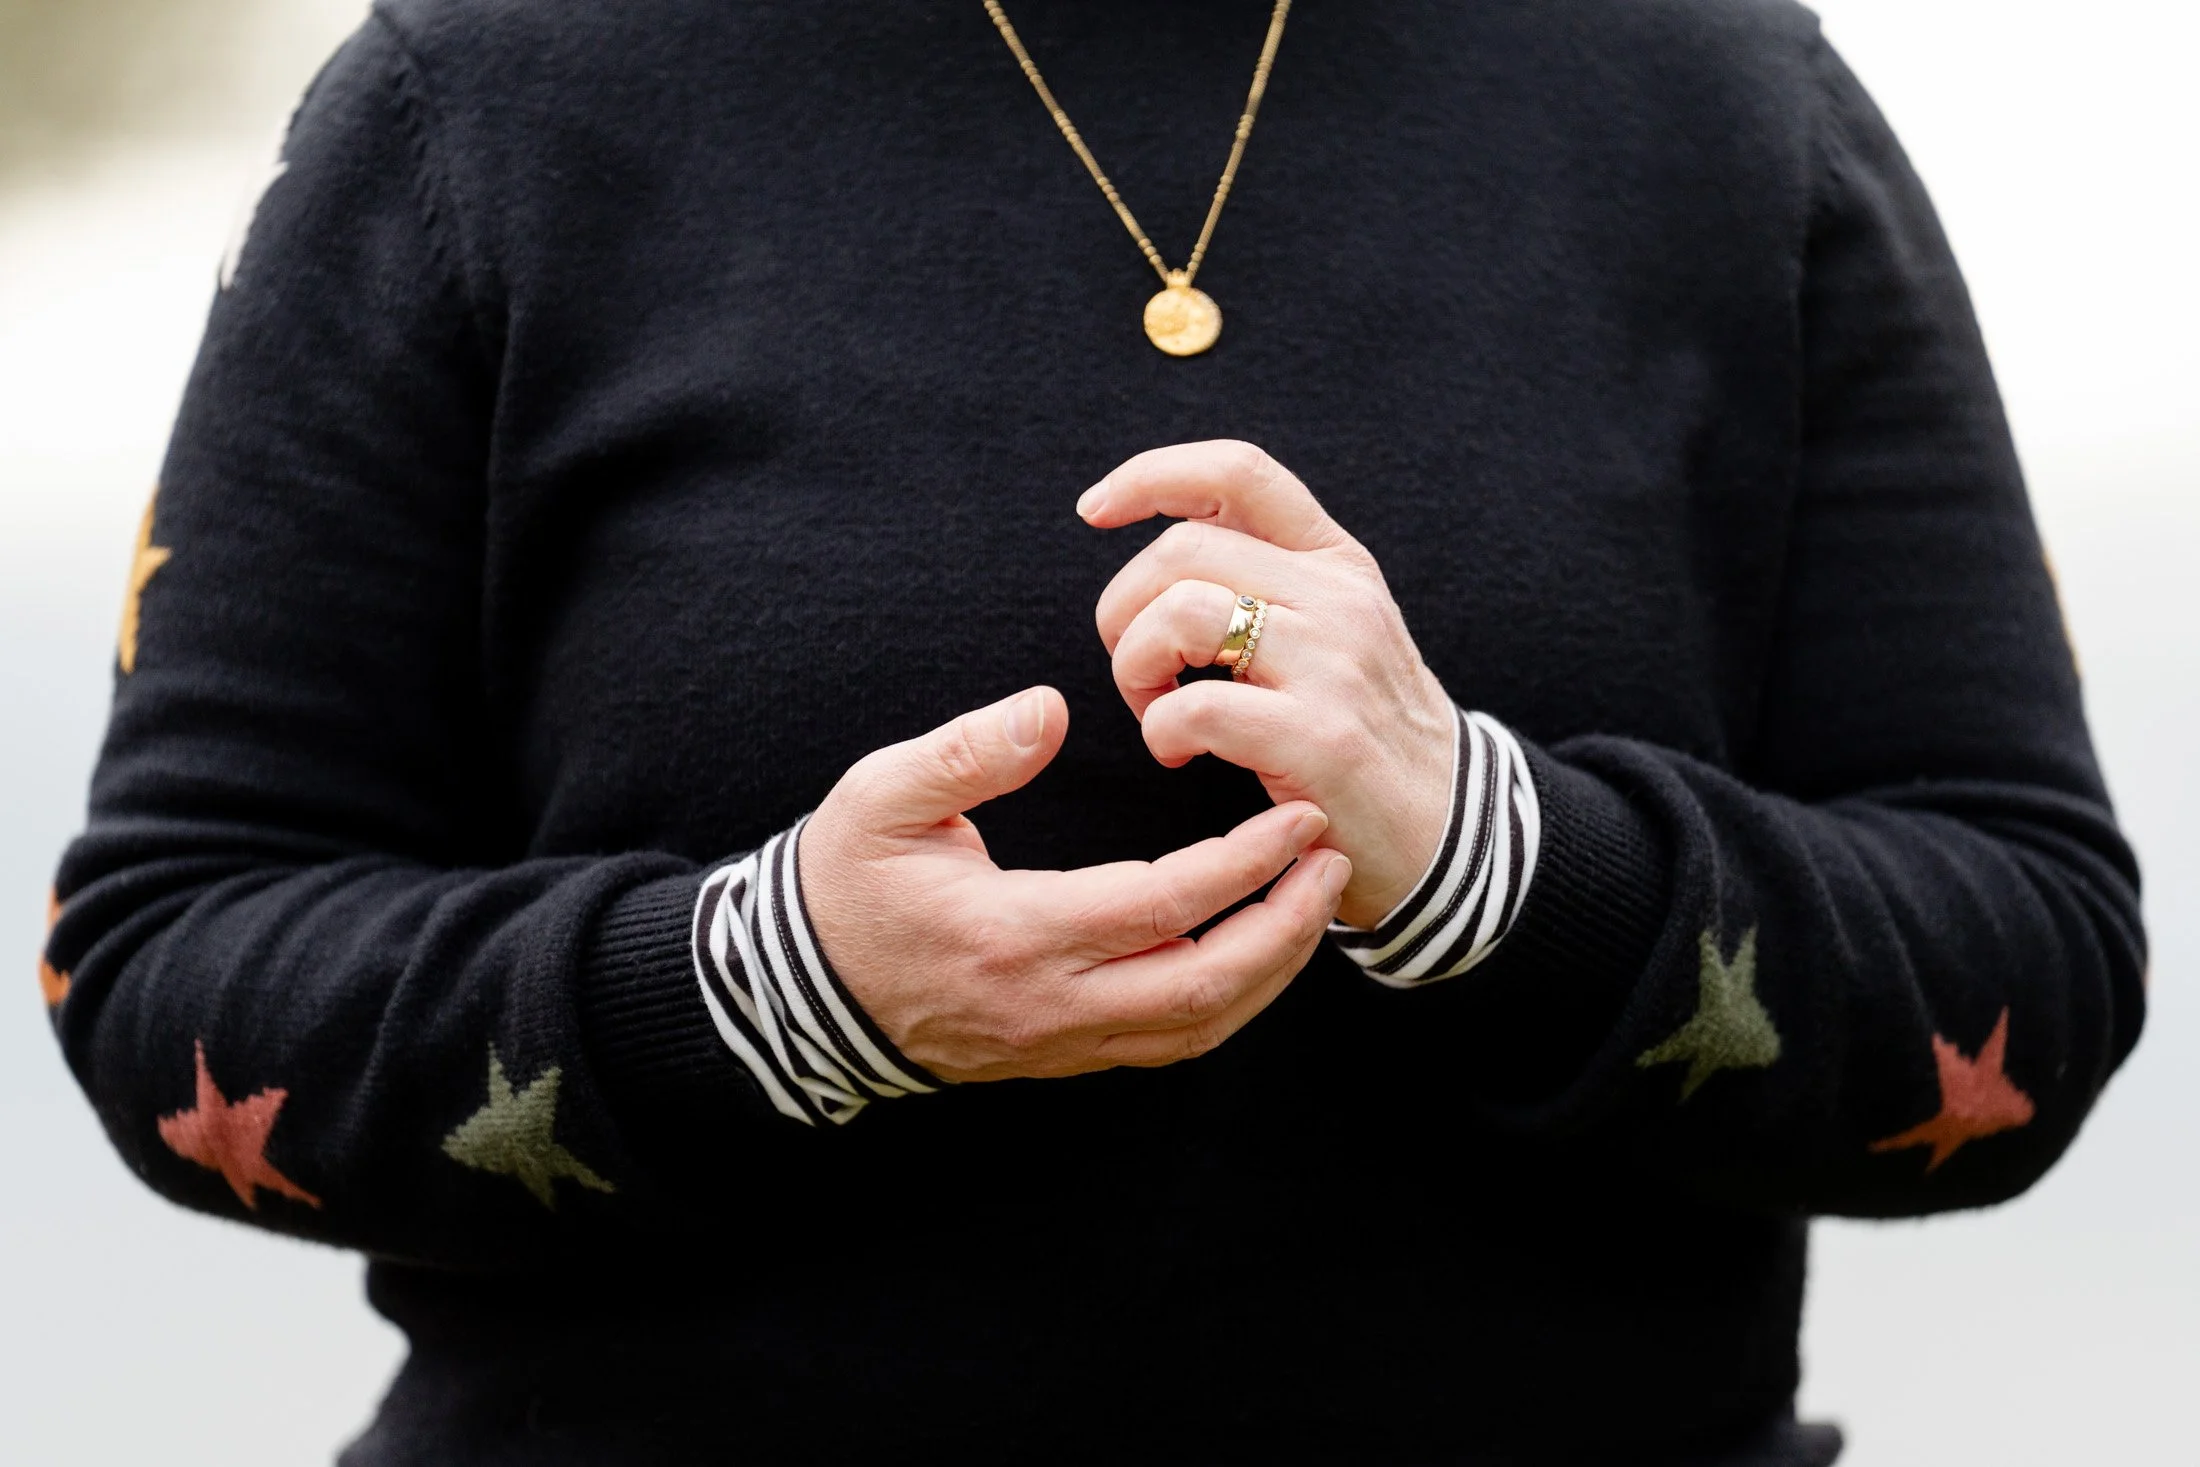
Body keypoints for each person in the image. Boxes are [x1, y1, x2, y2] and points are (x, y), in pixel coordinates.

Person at [39, 0, 2145, 1463]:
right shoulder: (475, 105)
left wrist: (1493, 857)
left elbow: (2026, 971)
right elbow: (173, 962)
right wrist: (775, 990)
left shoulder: (1722, 110)